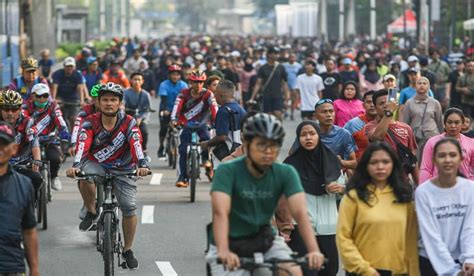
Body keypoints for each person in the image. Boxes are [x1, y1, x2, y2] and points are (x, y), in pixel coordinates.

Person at [206, 113, 325, 275]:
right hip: (228, 240)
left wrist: (313, 250)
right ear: (247, 144)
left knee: (293, 271)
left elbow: (300, 213)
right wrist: (223, 250)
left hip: (265, 239)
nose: (269, 151)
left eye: (274, 145)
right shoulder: (227, 170)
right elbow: (220, 213)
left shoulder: (285, 172)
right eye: (261, 145)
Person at [66, 82, 150, 270]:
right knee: (84, 175)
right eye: (105, 100)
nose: (109, 103)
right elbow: (82, 145)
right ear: (98, 102)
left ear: (120, 103)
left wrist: (142, 164)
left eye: (113, 100)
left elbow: (136, 144)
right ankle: (92, 210)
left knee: (129, 207)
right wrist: (76, 165)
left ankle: (128, 250)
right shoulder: (90, 122)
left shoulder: (129, 122)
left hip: (124, 167)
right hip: (97, 165)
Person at [337, 142, 419, 276]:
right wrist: (365, 270)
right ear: (365, 166)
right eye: (374, 162)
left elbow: (410, 241)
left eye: (385, 162)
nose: (380, 167)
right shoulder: (353, 197)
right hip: (362, 271)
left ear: (393, 165)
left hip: (399, 271)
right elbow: (344, 238)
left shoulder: (403, 196)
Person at [279, 121, 342, 276]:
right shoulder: (290, 165)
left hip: (329, 225)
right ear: (298, 139)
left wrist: (340, 188)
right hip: (300, 226)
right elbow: (281, 198)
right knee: (305, 270)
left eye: (312, 134)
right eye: (303, 135)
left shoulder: (332, 161)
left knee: (330, 269)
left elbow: (345, 188)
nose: (308, 138)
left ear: (318, 136)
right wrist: (284, 226)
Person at [415, 138, 474, 275]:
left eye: (453, 155)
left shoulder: (470, 189)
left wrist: (469, 259)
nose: (447, 160)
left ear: (461, 158)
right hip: (430, 261)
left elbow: (470, 228)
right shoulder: (423, 192)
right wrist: (452, 271)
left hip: (462, 261)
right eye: (442, 155)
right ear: (434, 160)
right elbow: (431, 235)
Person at [0, 122, 39, 276]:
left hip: (12, 266)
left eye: (4, 144)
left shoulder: (24, 185)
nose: (0, 149)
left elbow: (29, 231)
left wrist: (34, 269)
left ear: (14, 149)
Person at [171, 70, 218, 188]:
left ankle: (205, 159)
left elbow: (214, 108)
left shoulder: (208, 94)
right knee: (182, 150)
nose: (198, 85)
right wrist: (173, 119)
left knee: (207, 139)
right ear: (190, 82)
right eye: (195, 82)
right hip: (185, 123)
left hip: (203, 123)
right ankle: (183, 177)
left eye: (201, 82)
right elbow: (176, 107)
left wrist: (216, 121)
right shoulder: (183, 93)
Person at [365, 89, 419, 184]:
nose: (386, 105)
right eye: (381, 103)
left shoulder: (406, 128)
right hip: (380, 182)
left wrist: (418, 185)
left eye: (388, 103)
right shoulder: (370, 126)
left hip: (402, 181)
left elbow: (412, 158)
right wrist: (389, 112)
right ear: (375, 108)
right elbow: (377, 136)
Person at [24, 83, 70, 191]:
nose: (42, 99)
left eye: (45, 95)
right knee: (26, 162)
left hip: (50, 139)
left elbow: (60, 122)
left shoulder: (53, 106)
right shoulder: (26, 106)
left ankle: (54, 177)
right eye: (39, 96)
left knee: (56, 158)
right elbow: (22, 121)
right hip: (30, 140)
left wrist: (66, 137)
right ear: (32, 96)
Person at [0, 90, 42, 195]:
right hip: (2, 164)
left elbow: (34, 142)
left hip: (23, 164)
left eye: (14, 109)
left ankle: (30, 205)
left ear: (19, 110)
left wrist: (37, 160)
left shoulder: (27, 121)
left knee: (37, 178)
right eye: (6, 109)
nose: (10, 113)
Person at [419, 108, 474, 182]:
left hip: (463, 189)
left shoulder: (471, 143)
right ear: (444, 123)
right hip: (438, 188)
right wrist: (426, 188)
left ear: (462, 124)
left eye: (457, 122)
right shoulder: (432, 142)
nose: (453, 126)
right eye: (450, 122)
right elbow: (426, 169)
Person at [201, 80, 246, 168]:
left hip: (224, 156)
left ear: (220, 94)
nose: (214, 96)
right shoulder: (242, 110)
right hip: (240, 155)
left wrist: (207, 143)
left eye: (215, 93)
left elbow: (222, 137)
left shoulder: (223, 111)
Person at [400, 77, 444, 157]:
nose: (422, 85)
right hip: (416, 139)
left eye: (424, 83)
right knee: (418, 162)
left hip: (432, 137)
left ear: (429, 86)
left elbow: (440, 122)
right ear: (415, 86)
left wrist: (442, 138)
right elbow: (405, 124)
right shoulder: (409, 103)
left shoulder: (435, 103)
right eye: (419, 83)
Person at [311, 99, 357, 170]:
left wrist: (341, 162)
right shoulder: (310, 134)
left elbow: (354, 163)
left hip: (336, 175)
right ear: (315, 116)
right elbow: (293, 156)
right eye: (324, 112)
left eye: (331, 111)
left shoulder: (344, 134)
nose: (328, 115)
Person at [249, 46, 289, 120]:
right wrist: (252, 98)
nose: (276, 55)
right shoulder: (263, 68)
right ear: (269, 55)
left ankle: (279, 131)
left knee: (278, 115)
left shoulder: (281, 67)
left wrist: (287, 99)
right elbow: (258, 84)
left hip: (278, 96)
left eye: (277, 53)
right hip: (266, 96)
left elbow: (284, 84)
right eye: (274, 53)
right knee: (268, 117)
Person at [157, 64, 188, 158]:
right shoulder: (164, 84)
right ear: (169, 75)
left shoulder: (184, 85)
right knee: (163, 129)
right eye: (173, 74)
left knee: (185, 129)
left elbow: (186, 100)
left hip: (179, 111)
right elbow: (164, 99)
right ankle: (161, 146)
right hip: (166, 109)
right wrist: (165, 110)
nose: (175, 76)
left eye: (177, 74)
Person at [51, 56, 87, 131]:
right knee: (59, 117)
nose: (69, 68)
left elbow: (80, 88)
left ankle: (73, 133)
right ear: (64, 66)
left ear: (74, 67)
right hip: (61, 98)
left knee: (73, 118)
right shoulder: (57, 74)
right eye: (68, 66)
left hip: (74, 99)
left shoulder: (78, 74)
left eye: (71, 66)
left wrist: (82, 101)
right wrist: (53, 99)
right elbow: (55, 87)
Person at [124, 72, 153, 160]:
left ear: (142, 81)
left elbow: (148, 110)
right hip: (128, 117)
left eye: (139, 80)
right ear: (131, 81)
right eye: (135, 79)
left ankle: (144, 150)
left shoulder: (146, 94)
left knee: (144, 131)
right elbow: (121, 106)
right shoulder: (125, 93)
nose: (137, 82)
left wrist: (141, 118)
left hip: (141, 118)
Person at [344, 90, 377, 160]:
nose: (372, 105)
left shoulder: (387, 123)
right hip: (358, 167)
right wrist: (347, 167)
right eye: (369, 102)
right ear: (363, 105)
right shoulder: (352, 124)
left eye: (375, 102)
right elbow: (343, 146)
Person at [284, 53, 303, 120]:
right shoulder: (284, 65)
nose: (292, 58)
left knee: (293, 100)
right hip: (286, 85)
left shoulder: (299, 66)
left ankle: (292, 114)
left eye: (293, 57)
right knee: (286, 99)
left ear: (295, 58)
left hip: (295, 86)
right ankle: (285, 112)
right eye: (290, 57)